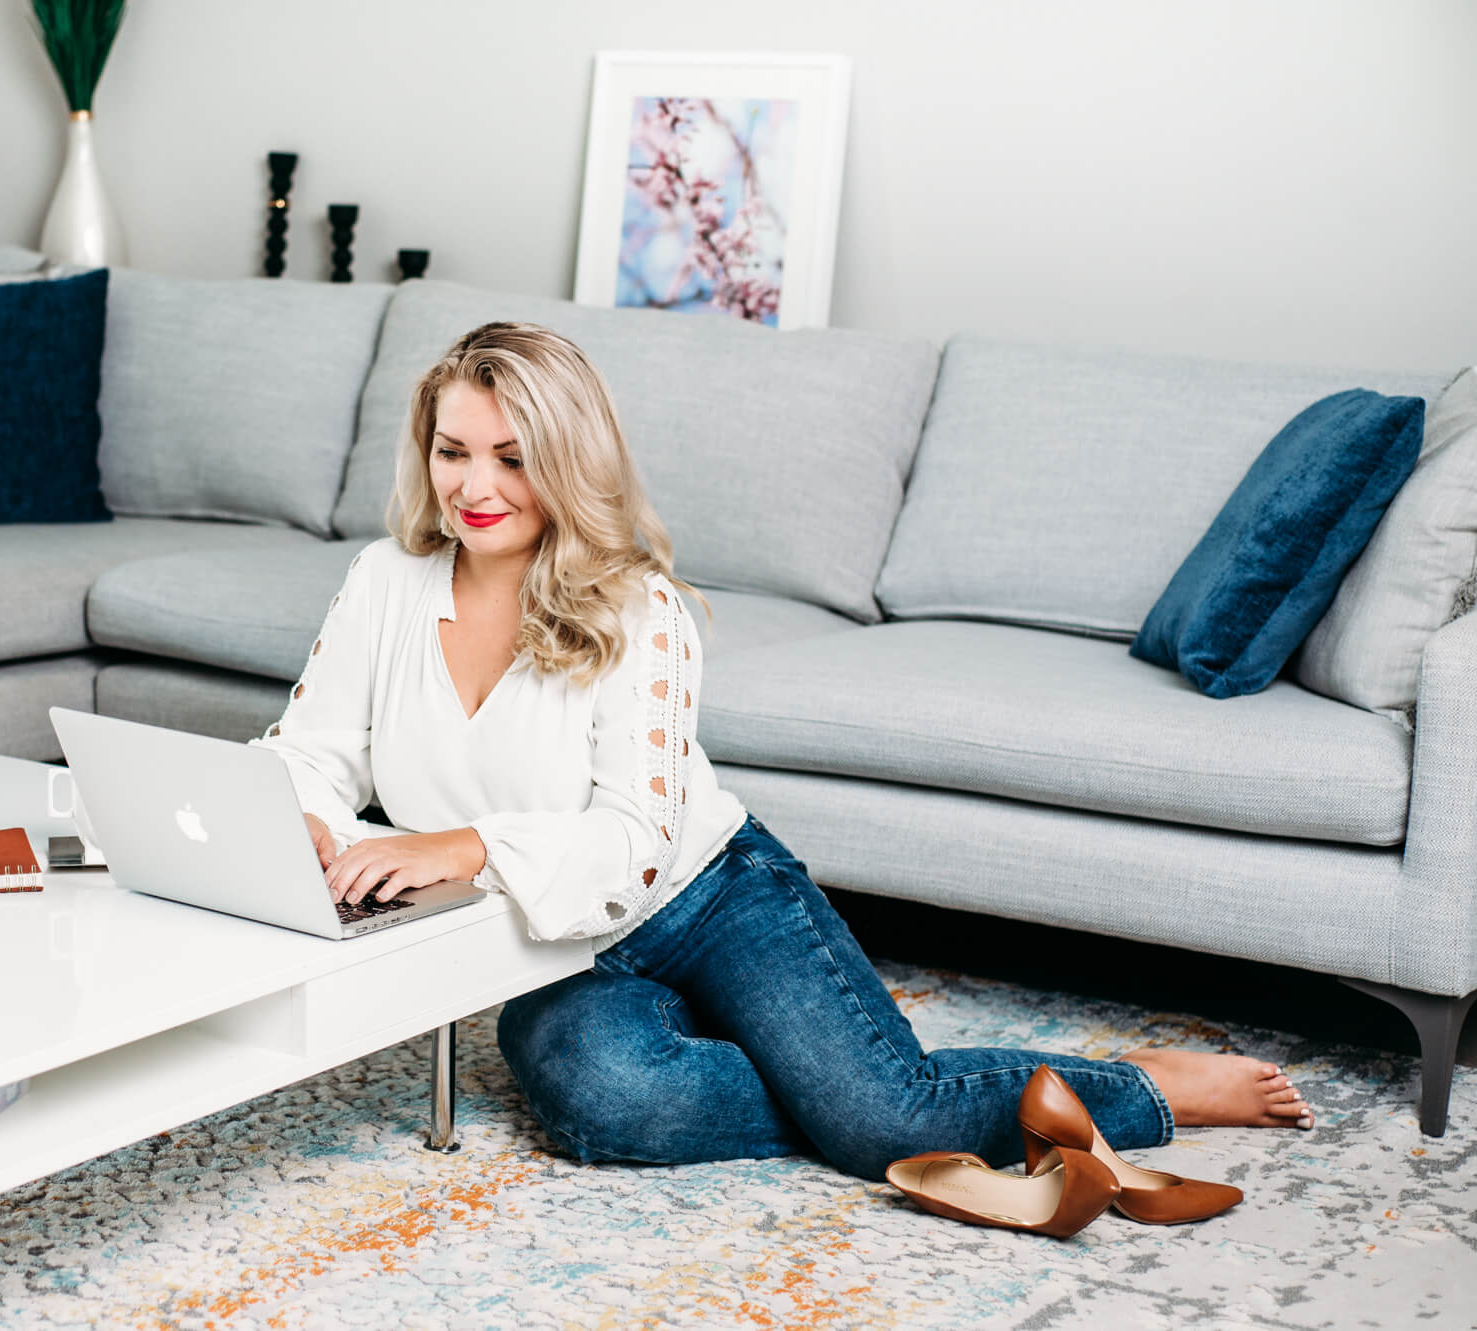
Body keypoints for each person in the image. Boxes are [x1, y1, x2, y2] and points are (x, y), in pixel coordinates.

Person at [252, 321, 1314, 1180]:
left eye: (510, 456)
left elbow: (628, 841)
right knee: (600, 1100)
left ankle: (1130, 1086)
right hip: (550, 935)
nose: (472, 484)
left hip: (707, 898)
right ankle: (846, 1080)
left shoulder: (640, 608)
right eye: (450, 449)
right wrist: (296, 812)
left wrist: (467, 845)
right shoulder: (383, 581)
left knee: (880, 1127)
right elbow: (311, 748)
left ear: (566, 462)